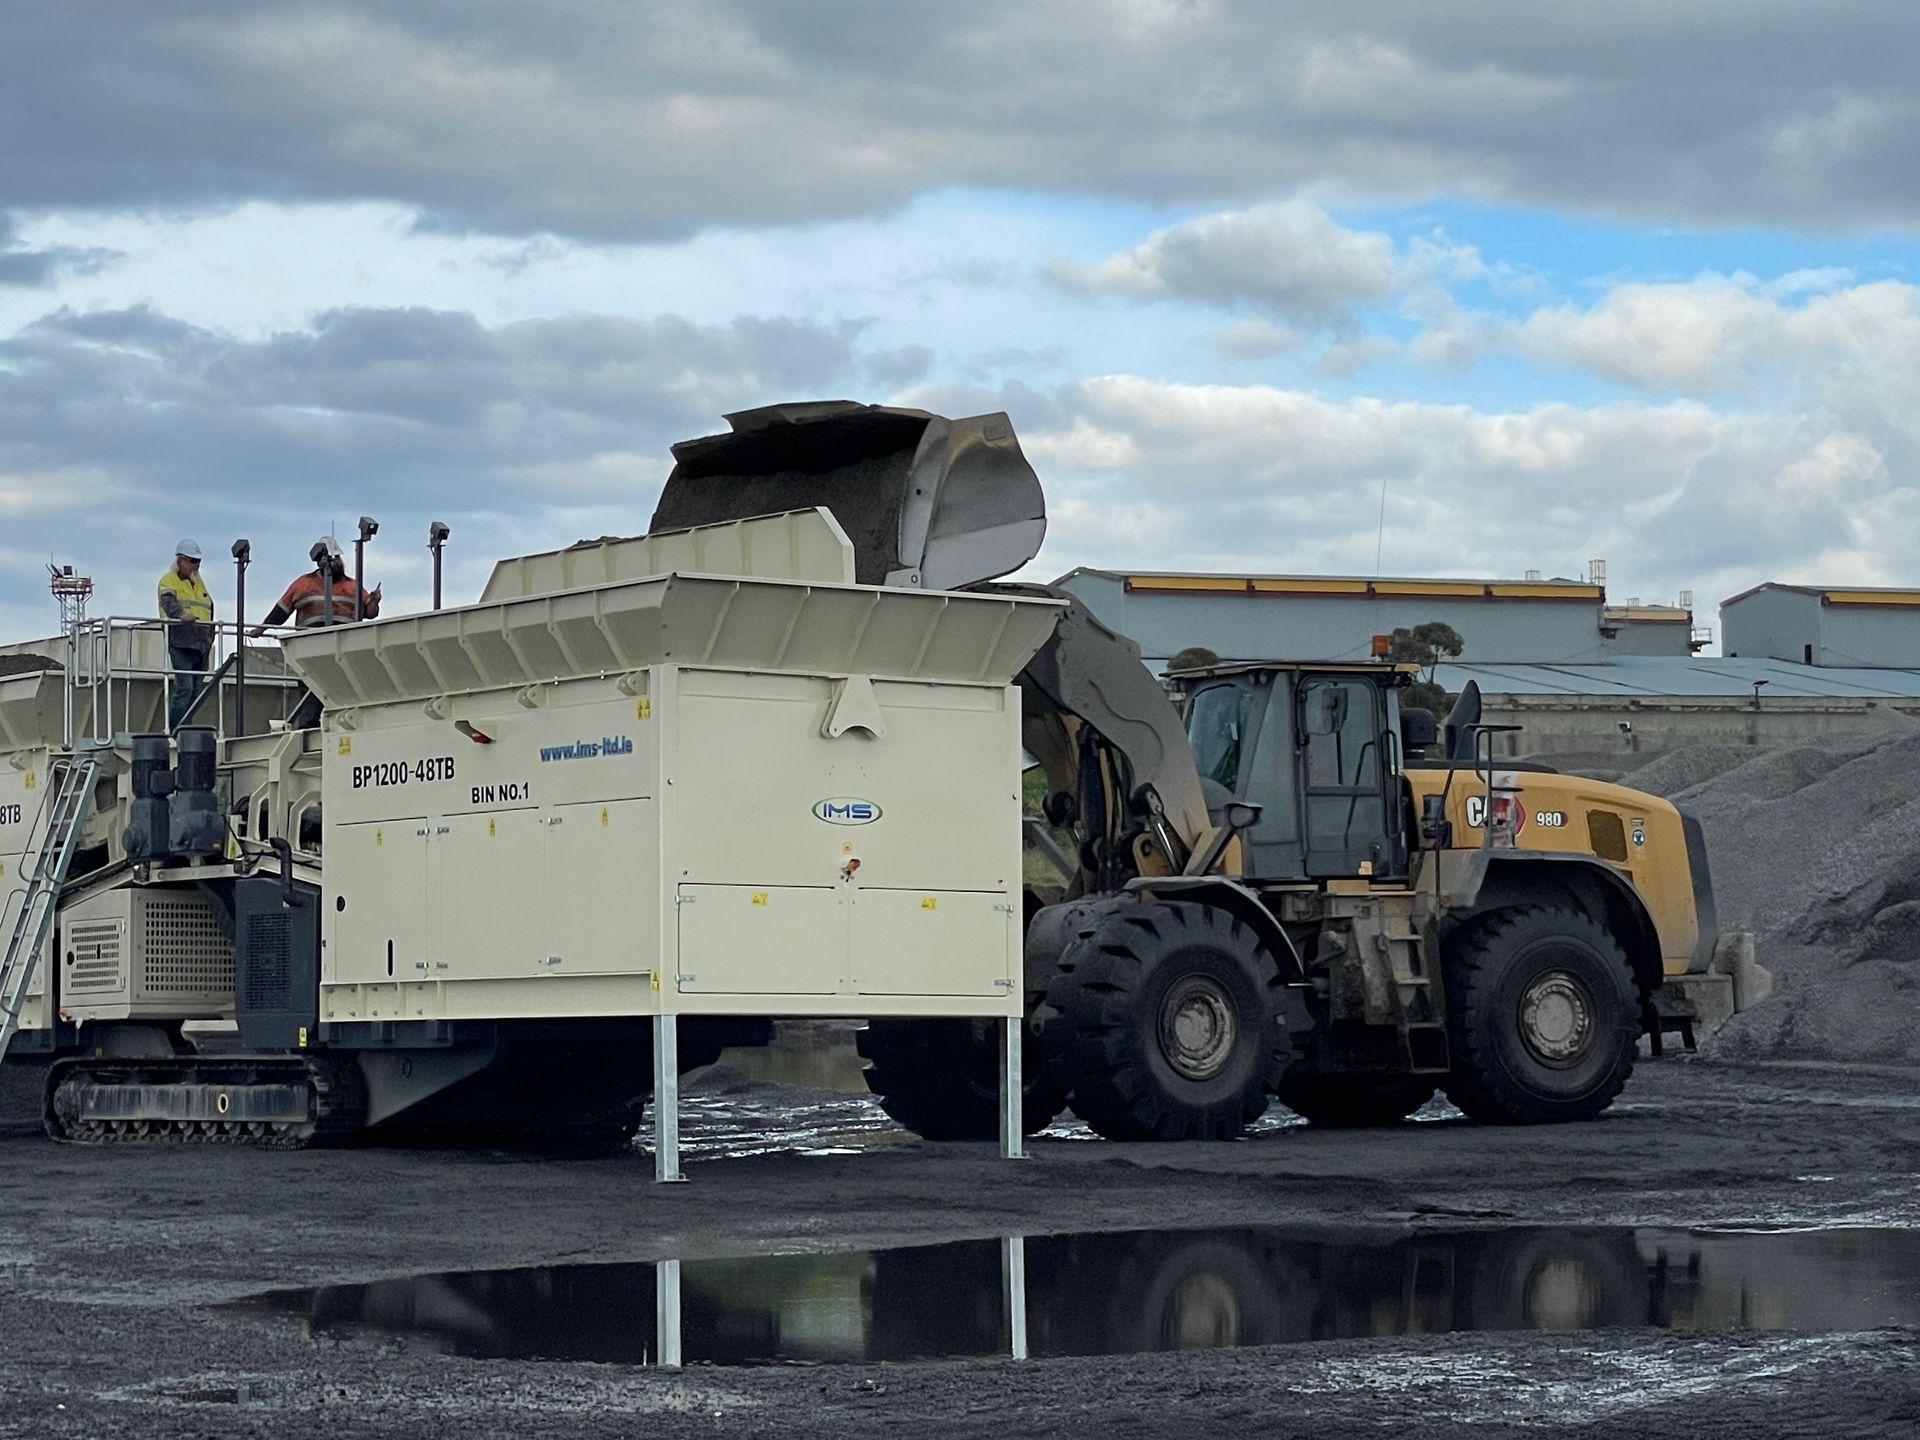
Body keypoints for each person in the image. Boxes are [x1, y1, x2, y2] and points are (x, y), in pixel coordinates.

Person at [251, 536, 381, 635]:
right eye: (333, 558)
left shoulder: (353, 586)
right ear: (321, 561)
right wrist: (261, 629)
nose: (337, 562)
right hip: (310, 640)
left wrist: (374, 601)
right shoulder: (303, 584)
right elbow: (280, 612)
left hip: (347, 640)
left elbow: (370, 613)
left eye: (338, 557)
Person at [157, 539, 213, 728]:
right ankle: (176, 729)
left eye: (198, 561)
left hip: (201, 643)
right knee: (185, 687)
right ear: (180, 561)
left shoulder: (199, 584)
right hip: (181, 642)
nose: (196, 565)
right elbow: (168, 603)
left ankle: (186, 728)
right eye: (192, 561)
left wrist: (210, 636)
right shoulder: (168, 580)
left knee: (196, 689)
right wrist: (181, 615)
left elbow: (208, 608)